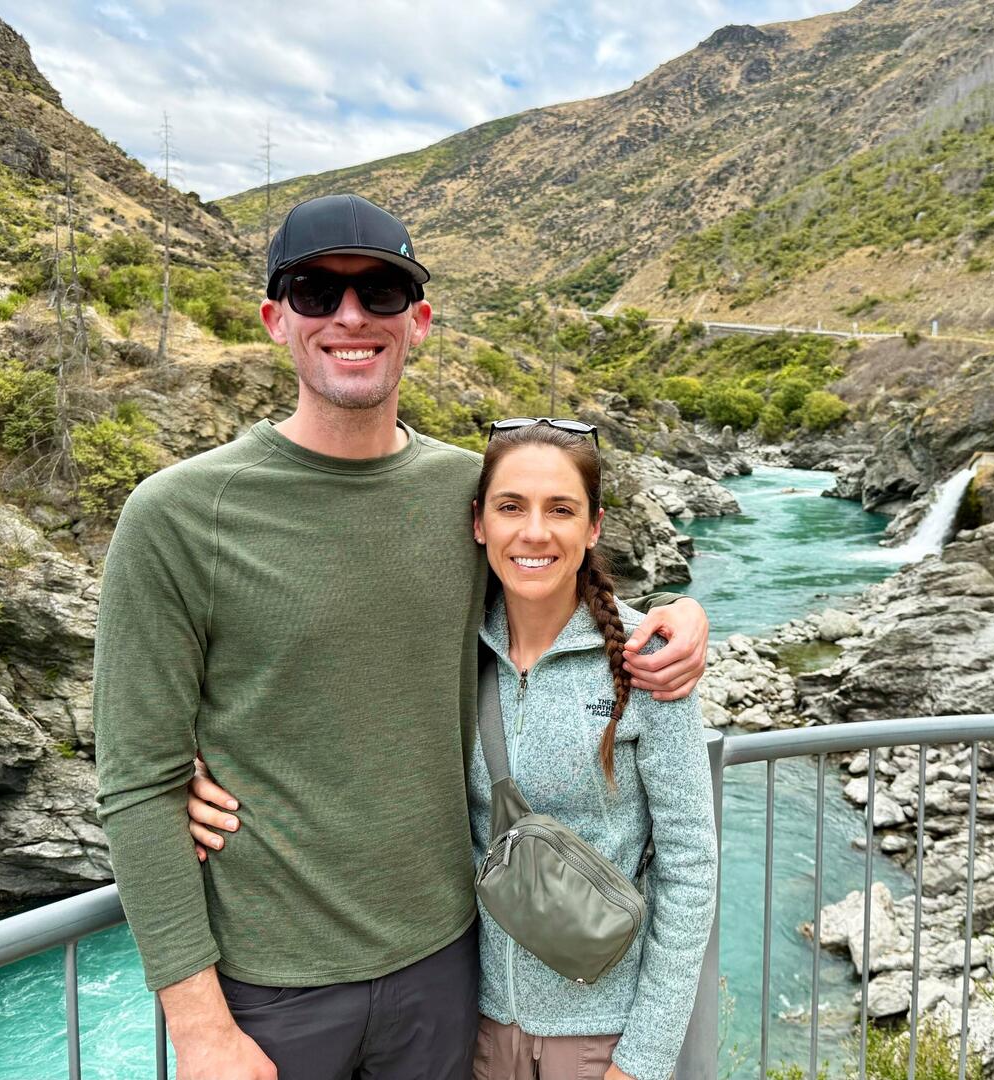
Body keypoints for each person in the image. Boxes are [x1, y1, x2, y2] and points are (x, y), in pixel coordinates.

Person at [93, 193, 710, 1080]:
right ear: (276, 319)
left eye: (381, 291)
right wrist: (199, 1029)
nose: (351, 315)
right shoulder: (177, 516)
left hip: (448, 972)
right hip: (270, 989)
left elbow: (557, 591)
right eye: (316, 291)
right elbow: (136, 783)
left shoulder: (467, 496)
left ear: (417, 322)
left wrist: (683, 621)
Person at [191, 419, 719, 1080]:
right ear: (479, 524)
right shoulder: (446, 648)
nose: (534, 532)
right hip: (474, 1026)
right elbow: (325, 699)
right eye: (510, 507)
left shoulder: (647, 663)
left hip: (602, 1040)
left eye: (561, 510)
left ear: (593, 527)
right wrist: (196, 762)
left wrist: (642, 1059)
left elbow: (690, 868)